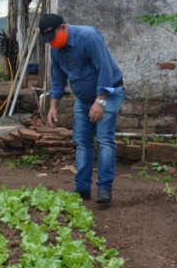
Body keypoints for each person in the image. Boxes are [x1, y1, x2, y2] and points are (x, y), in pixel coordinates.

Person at [41, 12, 125, 206]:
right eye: (48, 40)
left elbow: (106, 70)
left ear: (62, 28)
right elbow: (58, 80)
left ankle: (104, 188)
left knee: (104, 139)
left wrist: (100, 101)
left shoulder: (88, 37)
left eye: (53, 38)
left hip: (109, 92)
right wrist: (53, 107)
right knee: (82, 140)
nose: (52, 43)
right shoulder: (56, 49)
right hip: (84, 97)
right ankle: (82, 188)